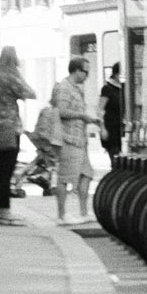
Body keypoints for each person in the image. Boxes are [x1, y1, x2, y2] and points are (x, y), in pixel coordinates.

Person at [0, 45, 36, 227]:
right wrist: (18, 75)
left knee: (0, 171)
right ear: (14, 61)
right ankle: (5, 214)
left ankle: (1, 213)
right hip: (9, 129)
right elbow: (31, 93)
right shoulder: (10, 78)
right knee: (6, 172)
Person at [53, 56, 100, 225]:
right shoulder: (65, 87)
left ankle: (83, 212)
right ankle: (61, 215)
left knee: (86, 174)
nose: (87, 75)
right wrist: (81, 116)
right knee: (65, 177)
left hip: (80, 139)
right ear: (76, 70)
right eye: (85, 71)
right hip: (69, 139)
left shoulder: (77, 88)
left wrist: (88, 119)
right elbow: (62, 111)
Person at [14, 95, 63, 195]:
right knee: (55, 164)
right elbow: (57, 129)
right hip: (50, 141)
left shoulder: (46, 109)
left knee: (40, 160)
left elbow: (40, 125)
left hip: (39, 139)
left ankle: (23, 177)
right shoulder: (58, 112)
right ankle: (52, 185)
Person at [98, 62, 124, 158]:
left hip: (123, 128)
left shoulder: (125, 87)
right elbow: (100, 109)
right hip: (111, 128)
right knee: (115, 156)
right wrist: (102, 128)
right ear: (116, 74)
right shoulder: (107, 88)